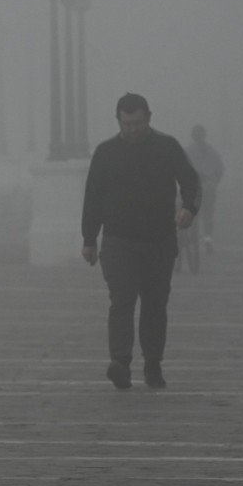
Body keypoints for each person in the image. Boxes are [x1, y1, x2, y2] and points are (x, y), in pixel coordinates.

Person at [82, 93, 201, 390]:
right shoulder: (106, 152)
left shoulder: (167, 147)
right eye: (126, 123)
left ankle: (152, 364)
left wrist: (189, 207)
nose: (132, 129)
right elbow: (93, 197)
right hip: (118, 240)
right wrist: (89, 238)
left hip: (158, 239)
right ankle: (120, 363)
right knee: (121, 301)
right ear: (118, 121)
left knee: (154, 304)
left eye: (137, 123)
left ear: (149, 117)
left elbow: (191, 181)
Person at [185, 124, 225, 252]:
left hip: (194, 187)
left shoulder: (188, 151)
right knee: (208, 215)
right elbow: (220, 168)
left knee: (191, 212)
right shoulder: (212, 151)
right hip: (208, 186)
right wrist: (215, 181)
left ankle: (192, 235)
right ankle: (208, 238)